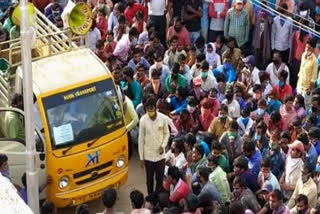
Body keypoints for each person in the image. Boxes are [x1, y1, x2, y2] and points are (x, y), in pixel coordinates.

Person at [138, 96, 170, 194]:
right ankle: (151, 197)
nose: (150, 112)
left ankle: (158, 198)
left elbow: (166, 133)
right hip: (148, 156)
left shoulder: (163, 119)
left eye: (151, 109)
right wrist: (141, 157)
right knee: (149, 180)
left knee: (160, 179)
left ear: (156, 108)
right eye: (148, 109)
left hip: (160, 156)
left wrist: (163, 145)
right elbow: (141, 139)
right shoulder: (143, 120)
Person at [297, 38, 318, 108]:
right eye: (306, 47)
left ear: (313, 49)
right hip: (300, 85)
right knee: (298, 104)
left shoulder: (314, 61)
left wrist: (309, 90)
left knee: (306, 106)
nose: (307, 49)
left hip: (306, 89)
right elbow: (301, 70)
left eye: (309, 48)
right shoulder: (303, 55)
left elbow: (313, 78)